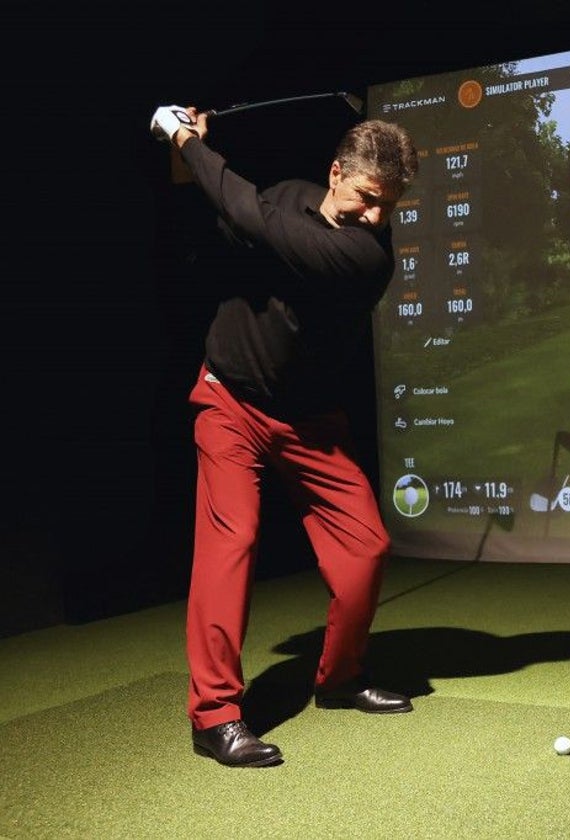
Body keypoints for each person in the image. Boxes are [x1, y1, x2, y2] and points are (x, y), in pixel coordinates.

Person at [150, 104, 420, 767]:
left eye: (390, 206)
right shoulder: (289, 201)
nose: (378, 218)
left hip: (308, 421)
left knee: (366, 547)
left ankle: (339, 677)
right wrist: (184, 163)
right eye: (367, 198)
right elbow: (222, 215)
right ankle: (214, 717)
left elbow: (246, 213)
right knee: (231, 540)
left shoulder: (364, 258)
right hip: (231, 399)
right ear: (336, 174)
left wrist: (183, 136)